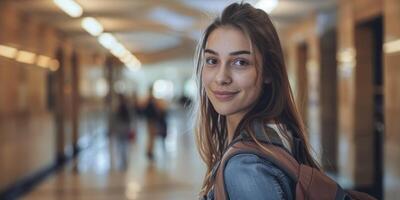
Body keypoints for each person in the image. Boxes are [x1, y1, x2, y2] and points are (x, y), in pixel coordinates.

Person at [193, 3, 320, 200]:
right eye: (212, 60)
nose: (221, 77)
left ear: (268, 72)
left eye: (240, 62)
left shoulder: (246, 169)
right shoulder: (279, 135)